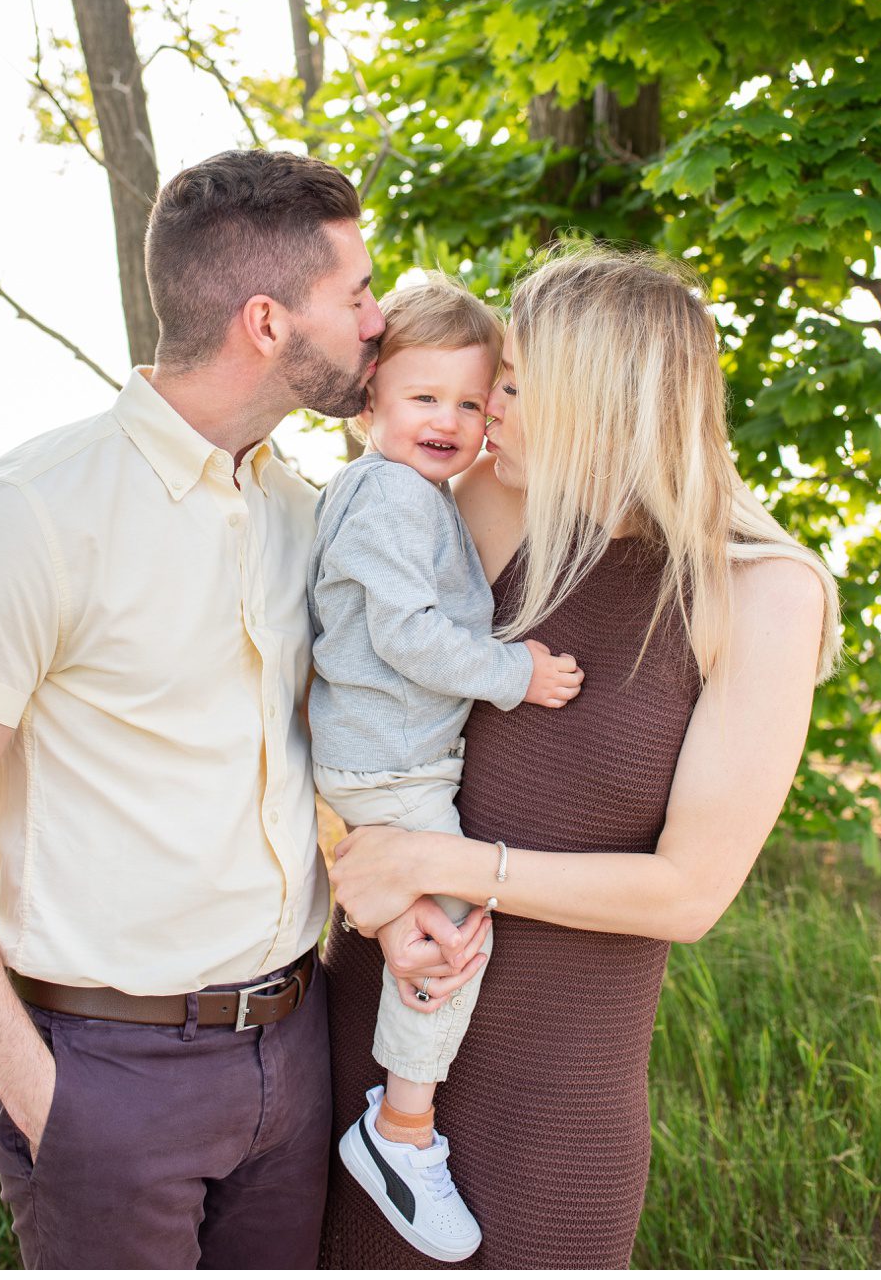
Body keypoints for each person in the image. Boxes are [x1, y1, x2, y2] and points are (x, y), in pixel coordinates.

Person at [316, 242, 839, 1269]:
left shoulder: (763, 593)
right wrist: (362, 861)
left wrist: (444, 867)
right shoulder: (483, 511)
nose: (484, 410)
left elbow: (689, 894)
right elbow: (340, 702)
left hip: (556, 1097)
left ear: (601, 403)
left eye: (513, 385)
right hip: (372, 1043)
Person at [0, 149, 384, 1268]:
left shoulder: (304, 511)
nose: (379, 320)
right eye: (357, 294)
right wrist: (50, 1100)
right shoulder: (28, 516)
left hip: (295, 1044)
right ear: (267, 321)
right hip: (103, 1076)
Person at [305, 277, 584, 1260]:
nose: (450, 421)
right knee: (453, 935)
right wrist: (518, 673)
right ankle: (401, 1129)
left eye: (472, 403)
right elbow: (409, 636)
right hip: (389, 769)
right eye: (425, 397)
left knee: (443, 927)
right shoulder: (389, 499)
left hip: (386, 758)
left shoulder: (391, 492)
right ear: (372, 391)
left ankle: (401, 1121)